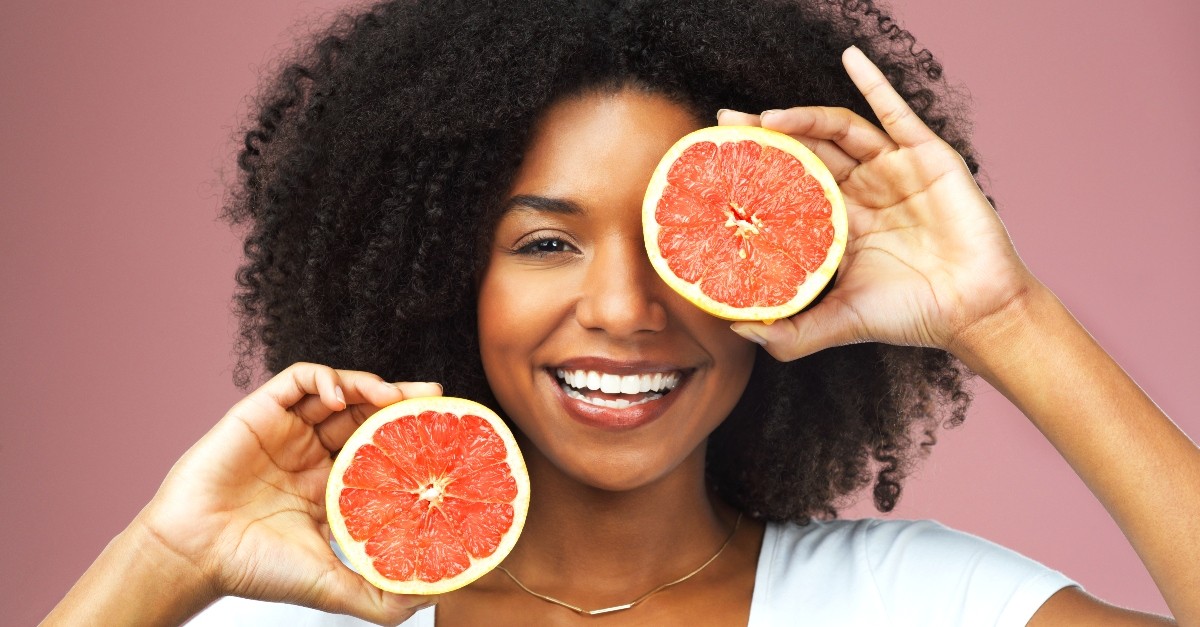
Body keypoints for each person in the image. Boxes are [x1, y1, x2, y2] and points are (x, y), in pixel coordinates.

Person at [43, 0, 1198, 625]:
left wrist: (1006, 317)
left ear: (769, 271)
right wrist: (159, 560)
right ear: (446, 274)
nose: (622, 306)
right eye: (546, 242)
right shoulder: (291, 620)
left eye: (675, 242)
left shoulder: (917, 604)